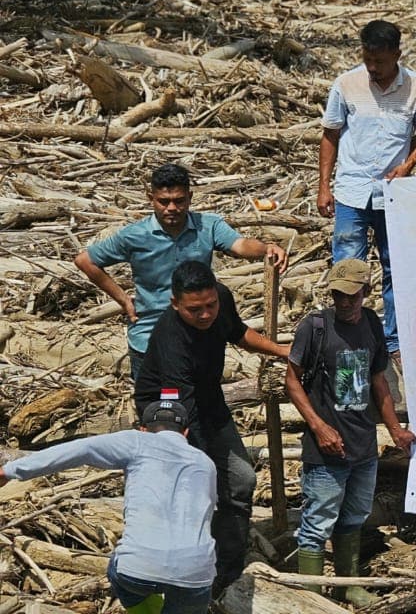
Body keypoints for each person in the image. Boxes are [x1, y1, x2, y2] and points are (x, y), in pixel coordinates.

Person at [133, 261, 290, 594]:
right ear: (175, 304)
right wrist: (199, 461)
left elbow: (238, 331)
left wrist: (280, 351)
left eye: (210, 306)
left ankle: (228, 567)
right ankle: (184, 567)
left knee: (241, 480)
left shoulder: (220, 298)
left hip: (208, 398)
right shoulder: (172, 339)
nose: (205, 315)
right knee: (194, 487)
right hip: (166, 409)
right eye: (195, 310)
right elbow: (182, 410)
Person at [73, 163, 286, 382]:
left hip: (197, 338)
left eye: (179, 200)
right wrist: (124, 300)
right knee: (160, 408)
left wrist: (265, 248)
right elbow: (86, 261)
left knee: (199, 401)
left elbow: (240, 245)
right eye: (164, 201)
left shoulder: (208, 226)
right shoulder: (135, 236)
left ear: (190, 197)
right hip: (150, 339)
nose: (171, 208)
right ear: (151, 198)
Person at [2, 399, 216, 614]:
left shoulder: (138, 441)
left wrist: (10, 470)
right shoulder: (205, 462)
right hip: (196, 574)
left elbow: (81, 449)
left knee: (120, 573)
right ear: (186, 433)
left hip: (137, 569)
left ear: (143, 429)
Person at [286, 259, 416, 606]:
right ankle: (310, 595)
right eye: (337, 296)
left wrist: (394, 429)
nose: (343, 303)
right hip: (325, 448)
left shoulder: (372, 324)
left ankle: (348, 585)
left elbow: (378, 382)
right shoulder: (315, 327)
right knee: (317, 520)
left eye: (351, 297)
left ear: (365, 293)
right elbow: (292, 380)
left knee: (354, 516)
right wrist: (318, 425)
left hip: (362, 445)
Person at [319, 19, 416, 407]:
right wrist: (324, 185)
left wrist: (409, 165)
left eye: (380, 61)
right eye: (367, 60)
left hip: (394, 195)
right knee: (348, 268)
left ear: (397, 55)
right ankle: (350, 340)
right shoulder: (347, 84)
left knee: (395, 269)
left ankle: (395, 344)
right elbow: (330, 133)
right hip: (351, 192)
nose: (373, 68)